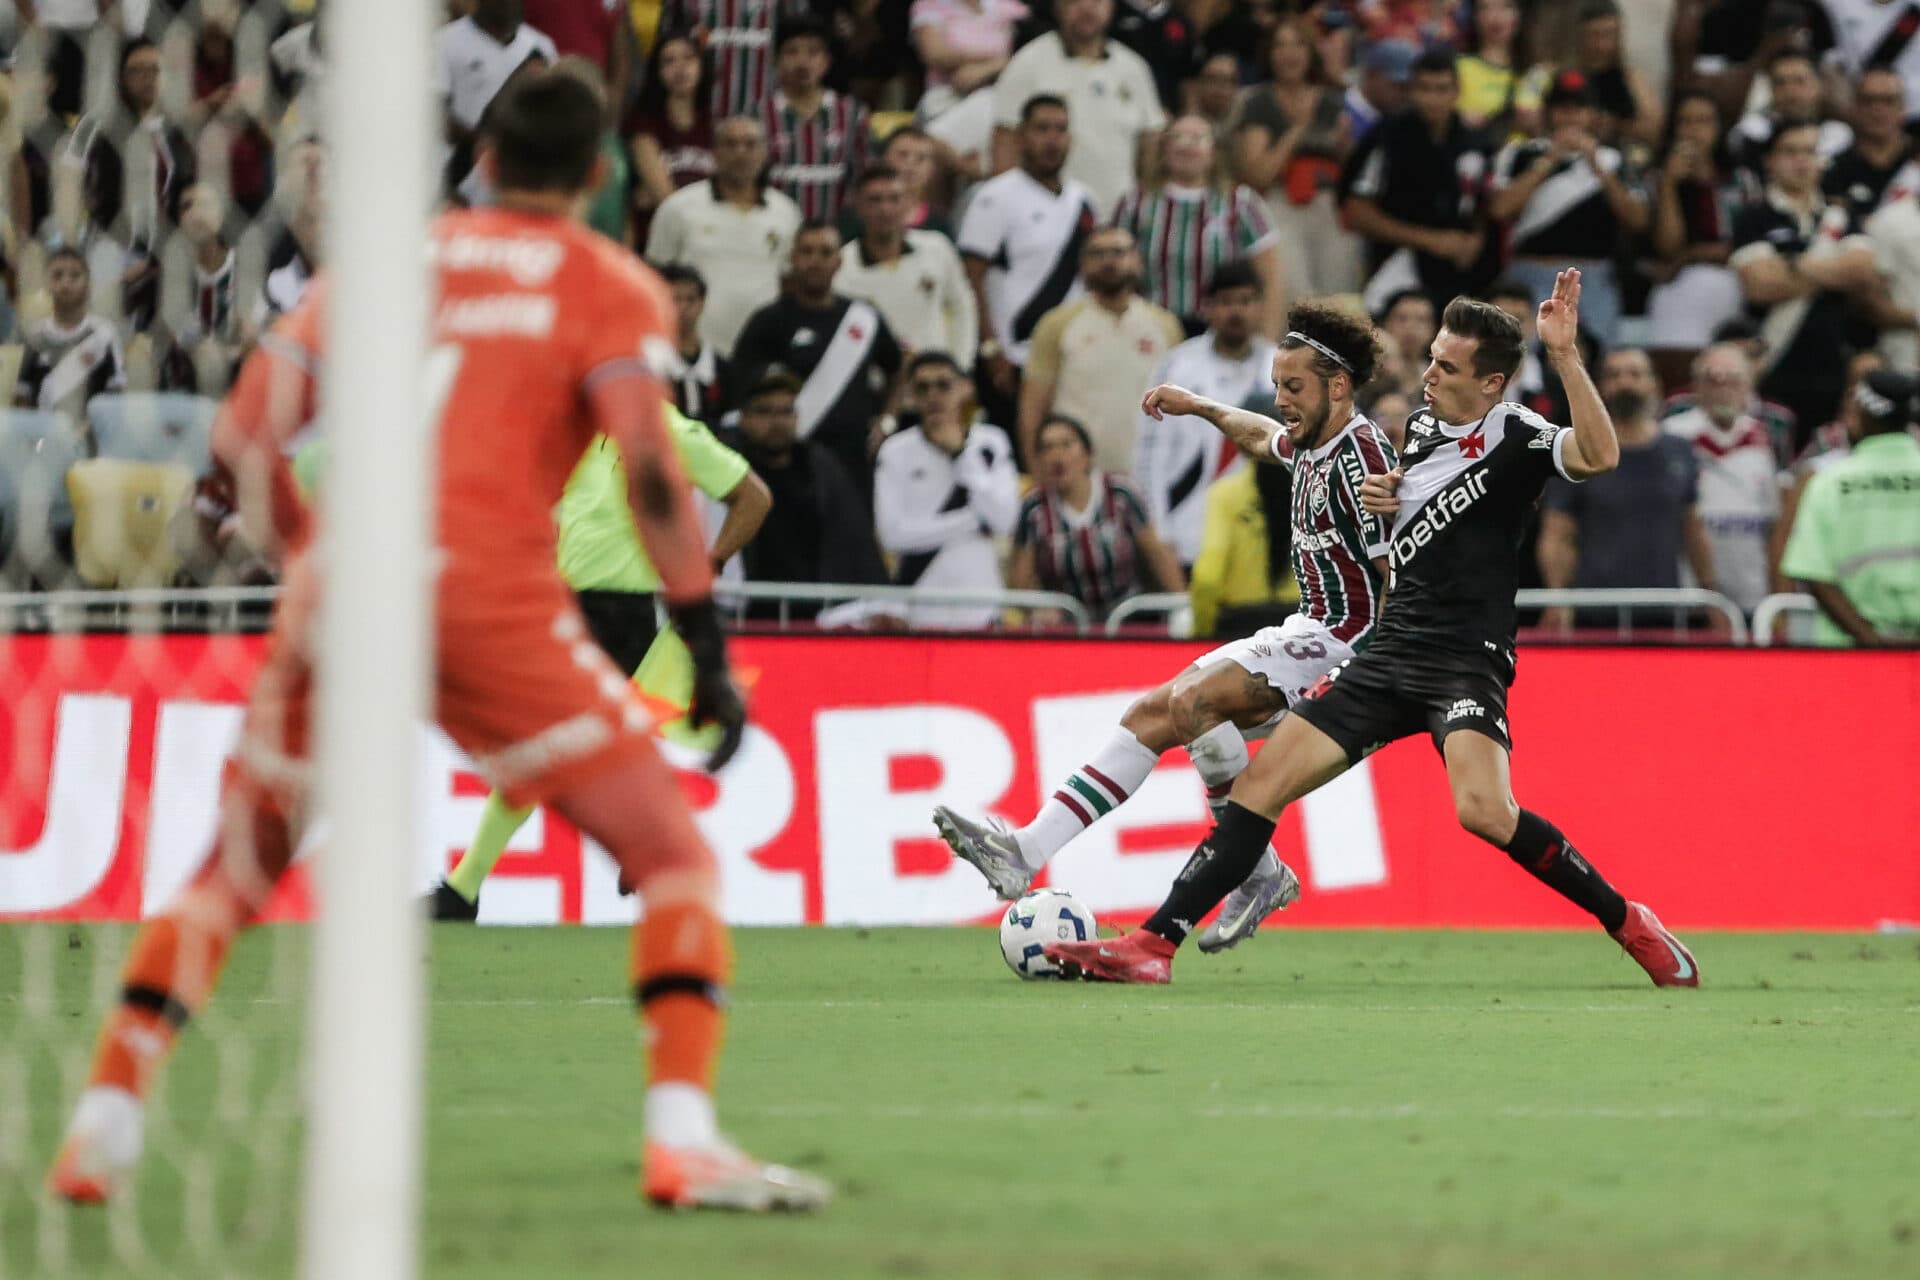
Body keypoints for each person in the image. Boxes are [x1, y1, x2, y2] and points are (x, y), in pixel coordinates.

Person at [47, 67, 829, 1213]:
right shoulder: (609, 283)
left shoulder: (384, 267)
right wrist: (702, 635)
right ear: (603, 177)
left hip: (345, 586)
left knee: (236, 869)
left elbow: (244, 431)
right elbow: (655, 470)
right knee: (671, 857)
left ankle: (100, 1127)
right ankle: (682, 1137)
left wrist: (314, 551)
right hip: (492, 601)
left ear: (487, 166)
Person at [1045, 273, 1703, 989]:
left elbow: (1598, 455)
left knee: (1485, 813)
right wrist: (1392, 500)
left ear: (1489, 383)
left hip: (1463, 661)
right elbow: (1410, 509)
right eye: (1430, 359)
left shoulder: (1515, 433)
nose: (1428, 374)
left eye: (1446, 368)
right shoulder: (1418, 430)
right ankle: (1153, 945)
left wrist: (1566, 357)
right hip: (1390, 652)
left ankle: (1628, 922)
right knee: (1259, 787)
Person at [934, 303, 1397, 952]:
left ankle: (1254, 871)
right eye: (1277, 386)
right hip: (1306, 629)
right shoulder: (1312, 441)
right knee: (1152, 714)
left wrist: (1378, 671)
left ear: (1339, 385)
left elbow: (1397, 573)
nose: (1282, 400)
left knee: (1193, 702)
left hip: (1348, 647)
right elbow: (1262, 436)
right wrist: (1200, 406)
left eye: (1294, 387)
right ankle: (1026, 851)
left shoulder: (1364, 456)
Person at [427, 404, 773, 920]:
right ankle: (646, 838)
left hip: (619, 611)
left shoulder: (663, 429)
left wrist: (712, 562)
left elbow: (754, 498)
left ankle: (464, 891)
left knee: (542, 746)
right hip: (557, 605)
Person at [1536, 347, 1714, 631]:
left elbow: (1694, 531)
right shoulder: (1576, 452)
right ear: (1600, 386)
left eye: (1635, 374)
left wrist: (1711, 594)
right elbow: (1557, 534)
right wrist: (1558, 598)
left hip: (1665, 612)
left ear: (1654, 383)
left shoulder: (1680, 451)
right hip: (1594, 613)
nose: (1625, 383)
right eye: (1614, 375)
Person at [1731, 120, 1883, 453]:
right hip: (1772, 366)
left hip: (1833, 370)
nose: (1801, 161)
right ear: (1770, 161)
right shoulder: (1754, 216)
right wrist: (1833, 267)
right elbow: (1759, 284)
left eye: (1809, 152)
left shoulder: (1841, 215)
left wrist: (1792, 265)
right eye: (1790, 152)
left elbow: (1863, 272)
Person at [957, 95, 1100, 439]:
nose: (1051, 139)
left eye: (1060, 129)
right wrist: (991, 351)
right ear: (1021, 136)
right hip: (1013, 358)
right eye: (1041, 129)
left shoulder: (1085, 201)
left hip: (1073, 357)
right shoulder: (993, 198)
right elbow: (970, 280)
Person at [731, 220, 905, 500]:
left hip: (851, 462)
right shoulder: (767, 321)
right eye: (808, 252)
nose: (816, 261)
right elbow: (739, 387)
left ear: (839, 261)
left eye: (825, 253)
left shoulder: (864, 319)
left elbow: (898, 370)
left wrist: (887, 420)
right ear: (794, 258)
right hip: (785, 463)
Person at [1486, 70, 1648, 350]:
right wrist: (1551, 158)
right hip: (1531, 273)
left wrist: (1597, 165)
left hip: (1593, 279)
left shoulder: (1614, 160)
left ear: (1593, 114)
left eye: (1579, 108)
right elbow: (1500, 209)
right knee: (1522, 354)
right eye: (1562, 108)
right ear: (1549, 112)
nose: (1571, 117)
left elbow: (1638, 220)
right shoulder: (1521, 154)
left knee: (1594, 360)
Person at [1132, 261, 1277, 568]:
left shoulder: (1280, 367)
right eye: (1225, 302)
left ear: (1261, 306)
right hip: (1187, 532)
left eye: (1245, 301)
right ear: (1207, 307)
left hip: (1264, 534)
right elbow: (1151, 456)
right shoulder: (1178, 366)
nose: (1235, 312)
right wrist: (1159, 535)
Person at [1342, 50, 1498, 317]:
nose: (1433, 99)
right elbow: (1357, 211)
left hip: (1460, 276)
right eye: (1425, 89)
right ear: (1412, 91)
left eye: (1442, 89)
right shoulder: (1387, 138)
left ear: (1456, 91)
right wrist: (1430, 241)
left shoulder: (1475, 142)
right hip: (1395, 269)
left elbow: (1486, 204)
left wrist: (1475, 240)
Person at [1018, 226, 1185, 473]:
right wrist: (1038, 473)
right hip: (1078, 477)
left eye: (1118, 252)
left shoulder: (1165, 326)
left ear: (1137, 259)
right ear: (1082, 264)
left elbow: (1182, 408)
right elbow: (1032, 409)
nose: (1108, 261)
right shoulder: (1056, 325)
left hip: (1150, 473)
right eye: (1097, 254)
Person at [873, 351, 1022, 629]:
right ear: (910, 396)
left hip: (982, 606)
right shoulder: (895, 452)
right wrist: (974, 520)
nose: (934, 395)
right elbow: (893, 535)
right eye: (923, 387)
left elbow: (1006, 520)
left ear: (966, 387)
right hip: (920, 607)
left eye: (943, 385)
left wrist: (960, 454)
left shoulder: (991, 442)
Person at [727, 366, 889, 609]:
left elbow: (855, 537)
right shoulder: (728, 472)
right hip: (747, 616)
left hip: (816, 618)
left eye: (786, 411)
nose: (777, 422)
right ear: (743, 418)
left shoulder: (821, 469)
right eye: (764, 411)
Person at [1780, 368, 1920, 645]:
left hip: (1848, 655)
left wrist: (1872, 642)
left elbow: (1815, 576)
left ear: (1862, 416)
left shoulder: (1829, 483)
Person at [1114, 114, 1284, 339]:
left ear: (1213, 151)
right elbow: (1115, 270)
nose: (1187, 148)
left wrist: (1267, 340)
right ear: (1164, 149)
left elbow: (1270, 278)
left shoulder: (1241, 203)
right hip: (1150, 331)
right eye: (1179, 138)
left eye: (1197, 139)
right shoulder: (1136, 203)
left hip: (1221, 335)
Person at [990, 0, 1167, 215]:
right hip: (1045, 213)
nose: (1087, 8)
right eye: (1075, 1)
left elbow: (1150, 146)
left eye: (1097, 1)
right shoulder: (1028, 63)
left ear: (1112, 7)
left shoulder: (1133, 68)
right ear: (1058, 7)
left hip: (1120, 215)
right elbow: (1005, 144)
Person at [645, 116, 803, 355]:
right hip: (694, 351)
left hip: (763, 351)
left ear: (763, 153)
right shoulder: (678, 207)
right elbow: (654, 279)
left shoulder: (786, 212)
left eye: (750, 144)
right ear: (715, 153)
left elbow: (791, 283)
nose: (740, 153)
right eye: (730, 144)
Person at [1228, 15, 1358, 303]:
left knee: (1338, 297)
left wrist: (1346, 148)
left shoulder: (1333, 101)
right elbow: (1257, 175)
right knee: (1294, 294)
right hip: (1279, 204)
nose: (1289, 53)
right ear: (1269, 54)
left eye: (1298, 45)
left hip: (1329, 207)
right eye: (1280, 46)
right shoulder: (1258, 101)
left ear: (1311, 52)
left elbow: (1352, 171)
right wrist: (1297, 130)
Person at [1011, 414, 1185, 619]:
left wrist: (1182, 606)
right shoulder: (1034, 508)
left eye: (1066, 444)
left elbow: (1157, 553)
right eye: (1047, 448)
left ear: (1087, 453)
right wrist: (1038, 609)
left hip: (1125, 617)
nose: (1057, 456)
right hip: (1066, 625)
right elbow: (1019, 583)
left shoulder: (1121, 493)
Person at [1661, 343, 1782, 613]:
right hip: (1689, 593)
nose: (1723, 388)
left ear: (1748, 388)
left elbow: (1774, 520)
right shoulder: (1672, 436)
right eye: (1713, 380)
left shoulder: (1763, 439)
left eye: (1733, 380)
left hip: (1751, 590)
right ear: (1697, 386)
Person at [1645, 89, 1748, 391]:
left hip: (1730, 288)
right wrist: (1669, 187)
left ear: (1719, 128)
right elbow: (1667, 248)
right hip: (1677, 296)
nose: (1693, 131)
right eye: (1685, 122)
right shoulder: (1656, 179)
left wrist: (1688, 257)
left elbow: (1739, 245)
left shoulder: (1740, 180)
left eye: (1703, 121)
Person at [835, 165, 978, 371]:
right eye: (875, 200)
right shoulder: (842, 265)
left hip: (934, 380)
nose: (886, 209)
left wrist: (961, 366)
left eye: (894, 199)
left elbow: (962, 306)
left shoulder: (937, 248)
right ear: (858, 206)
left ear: (909, 203)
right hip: (874, 385)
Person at [434, 0, 559, 191]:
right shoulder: (445, 42)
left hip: (520, 179)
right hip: (459, 176)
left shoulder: (540, 47)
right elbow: (434, 113)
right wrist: (483, 142)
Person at [760, 15, 870, 223]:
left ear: (827, 61)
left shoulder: (852, 113)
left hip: (836, 234)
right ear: (777, 60)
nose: (802, 61)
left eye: (813, 52)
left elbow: (861, 178)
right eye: (792, 51)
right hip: (775, 229)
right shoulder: (759, 115)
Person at [16, 247, 127, 425]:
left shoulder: (104, 332)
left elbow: (117, 390)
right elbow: (23, 395)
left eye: (75, 276)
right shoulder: (36, 336)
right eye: (57, 276)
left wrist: (91, 427)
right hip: (45, 435)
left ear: (88, 284)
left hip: (93, 434)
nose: (66, 283)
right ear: (46, 284)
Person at [628, 32, 717, 251]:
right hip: (657, 241)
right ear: (656, 72)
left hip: (709, 240)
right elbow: (666, 199)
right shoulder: (642, 124)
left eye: (688, 58)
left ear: (702, 65)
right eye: (669, 61)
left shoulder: (716, 122)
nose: (680, 68)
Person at [1823, 66, 1913, 224]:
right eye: (1868, 100)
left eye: (1888, 100)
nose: (1877, 109)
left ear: (1903, 108)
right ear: (1854, 107)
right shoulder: (1835, 170)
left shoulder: (1915, 162)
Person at [910, 0, 1028, 121]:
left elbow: (1029, 53)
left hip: (999, 100)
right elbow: (934, 54)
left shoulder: (1008, 6)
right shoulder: (930, 5)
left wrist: (987, 69)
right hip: (946, 101)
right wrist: (995, 59)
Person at [656, 264, 735, 424]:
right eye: (675, 299)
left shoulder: (720, 367)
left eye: (691, 300)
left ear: (702, 303)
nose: (683, 307)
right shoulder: (649, 364)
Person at [1456, 0, 1540, 140]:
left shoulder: (1537, 73)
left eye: (1506, 7)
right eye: (1485, 8)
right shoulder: (1458, 67)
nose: (1495, 17)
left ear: (1520, 14)